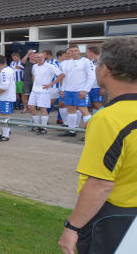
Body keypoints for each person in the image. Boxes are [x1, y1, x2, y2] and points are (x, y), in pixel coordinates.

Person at [58, 37, 137, 254]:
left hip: (114, 219)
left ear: (105, 71)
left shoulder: (108, 118)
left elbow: (101, 184)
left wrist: (72, 227)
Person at [58, 45, 95, 137]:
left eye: (75, 50)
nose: (73, 52)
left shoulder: (86, 61)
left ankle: (91, 133)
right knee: (70, 110)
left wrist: (85, 90)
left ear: (79, 51)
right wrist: (63, 89)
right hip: (68, 90)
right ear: (69, 52)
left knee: (84, 111)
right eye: (71, 51)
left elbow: (91, 76)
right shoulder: (65, 63)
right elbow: (64, 77)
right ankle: (71, 131)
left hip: (80, 90)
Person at [27, 52, 64, 134]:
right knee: (31, 107)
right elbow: (34, 75)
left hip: (44, 91)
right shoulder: (34, 66)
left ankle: (44, 128)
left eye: (41, 57)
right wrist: (34, 83)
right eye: (38, 57)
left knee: (43, 108)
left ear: (44, 57)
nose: (39, 58)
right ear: (35, 58)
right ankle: (38, 126)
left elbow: (61, 75)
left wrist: (50, 84)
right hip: (35, 90)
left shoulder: (49, 66)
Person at [0, 56, 16, 141]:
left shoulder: (5, 72)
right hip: (2, 97)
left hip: (6, 97)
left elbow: (5, 86)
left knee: (5, 115)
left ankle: (5, 135)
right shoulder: (7, 70)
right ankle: (7, 129)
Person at [86, 46, 104, 112]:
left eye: (87, 52)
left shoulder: (101, 61)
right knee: (93, 104)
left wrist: (103, 87)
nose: (87, 54)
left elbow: (104, 74)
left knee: (97, 104)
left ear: (91, 53)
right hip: (91, 87)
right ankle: (96, 119)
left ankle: (104, 119)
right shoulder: (91, 61)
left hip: (98, 87)